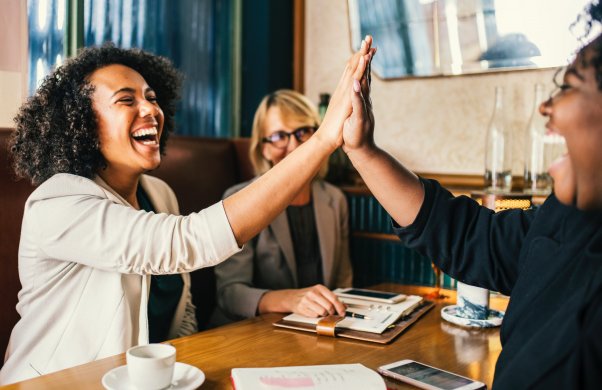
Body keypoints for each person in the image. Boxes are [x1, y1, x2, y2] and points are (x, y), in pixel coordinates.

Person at [0, 38, 375, 384]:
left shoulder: (159, 194)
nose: (151, 109)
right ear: (81, 125)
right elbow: (186, 242)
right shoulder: (58, 202)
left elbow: (183, 309)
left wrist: (191, 369)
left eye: (152, 97)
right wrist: (324, 138)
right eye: (126, 100)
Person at [342, 2, 601, 388]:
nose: (546, 106)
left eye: (569, 87)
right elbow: (474, 239)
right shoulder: (569, 215)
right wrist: (362, 150)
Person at [211, 90, 352, 326]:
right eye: (278, 136)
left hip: (317, 329)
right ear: (263, 148)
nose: (294, 145)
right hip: (251, 331)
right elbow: (230, 294)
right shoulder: (237, 199)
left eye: (302, 132)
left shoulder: (335, 199)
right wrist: (290, 300)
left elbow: (344, 282)